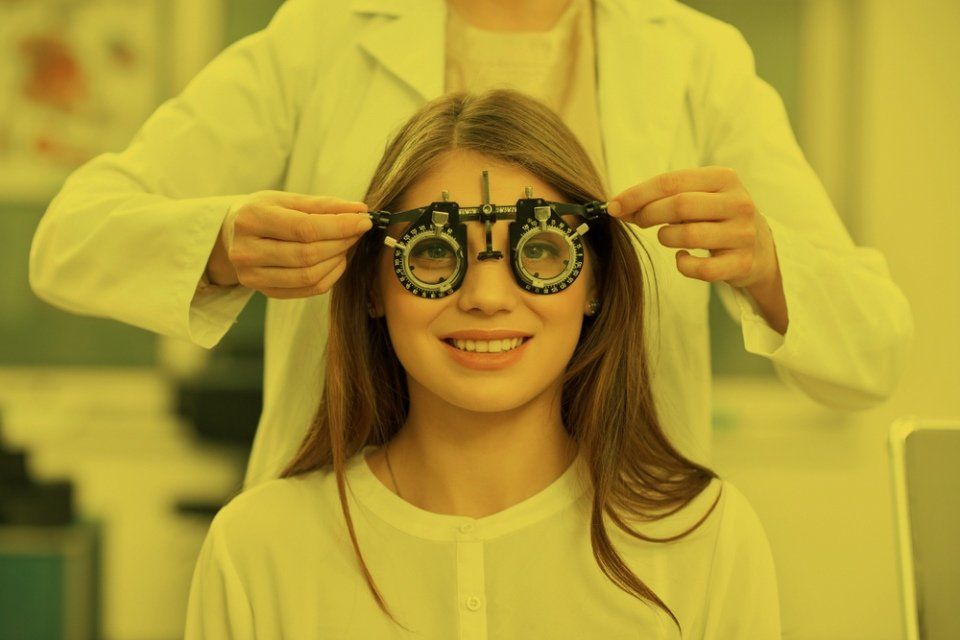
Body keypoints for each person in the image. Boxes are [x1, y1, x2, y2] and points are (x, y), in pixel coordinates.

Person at [28, 0, 914, 490]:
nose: (489, 294)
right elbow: (71, 237)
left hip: (617, 536)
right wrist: (220, 244)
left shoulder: (696, 58)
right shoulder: (320, 37)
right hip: (354, 530)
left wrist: (764, 260)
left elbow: (871, 349)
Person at [183, 89, 781, 639]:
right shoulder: (258, 548)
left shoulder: (706, 535)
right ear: (372, 286)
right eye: (434, 255)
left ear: (594, 282)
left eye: (541, 252)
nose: (487, 298)